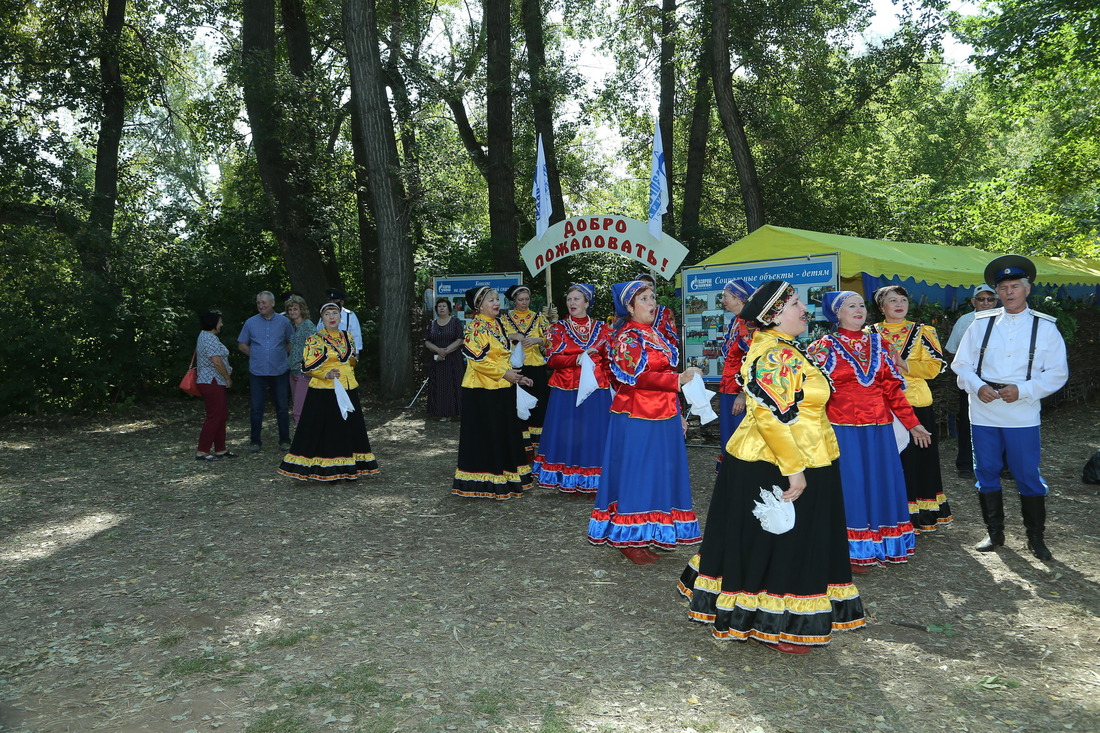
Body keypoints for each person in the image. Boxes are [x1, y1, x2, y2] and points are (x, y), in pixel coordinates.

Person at [678, 280, 865, 653]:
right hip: (779, 460)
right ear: (774, 315)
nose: (804, 310)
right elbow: (770, 417)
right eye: (795, 303)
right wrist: (794, 470)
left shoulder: (785, 348)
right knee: (782, 542)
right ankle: (776, 622)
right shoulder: (774, 355)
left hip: (804, 454)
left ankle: (777, 617)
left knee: (786, 541)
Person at [951, 255, 1068, 560]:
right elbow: (961, 365)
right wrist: (978, 387)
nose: (1009, 292)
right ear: (997, 291)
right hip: (984, 408)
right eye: (1003, 287)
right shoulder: (980, 324)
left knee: (1027, 473)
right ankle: (995, 534)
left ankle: (1036, 538)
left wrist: (1025, 390)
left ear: (1027, 289)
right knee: (986, 470)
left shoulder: (1045, 328)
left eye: (1015, 286)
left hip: (1022, 411)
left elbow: (1057, 373)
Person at [809, 291, 931, 572]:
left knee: (881, 482)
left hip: (879, 430)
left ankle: (883, 544)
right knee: (851, 485)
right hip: (844, 431)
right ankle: (851, 550)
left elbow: (892, 390)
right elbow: (811, 392)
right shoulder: (823, 347)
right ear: (836, 314)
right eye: (850, 306)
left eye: (861, 305)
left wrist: (913, 423)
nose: (858, 310)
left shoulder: (879, 343)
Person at [587, 280, 702, 564]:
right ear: (629, 307)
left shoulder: (655, 334)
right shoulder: (626, 337)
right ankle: (629, 537)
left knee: (659, 473)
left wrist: (677, 413)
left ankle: (650, 531)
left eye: (653, 298)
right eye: (644, 299)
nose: (652, 303)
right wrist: (677, 380)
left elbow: (666, 376)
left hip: (662, 414)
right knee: (638, 473)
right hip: (636, 415)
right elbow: (637, 378)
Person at [869, 285, 953, 533]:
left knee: (918, 461)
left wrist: (903, 363)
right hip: (882, 406)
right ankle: (891, 512)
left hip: (915, 403)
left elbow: (934, 367)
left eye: (902, 300)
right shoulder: (870, 333)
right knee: (890, 459)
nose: (898, 304)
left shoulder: (923, 331)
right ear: (881, 307)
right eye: (892, 300)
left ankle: (919, 515)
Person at [278, 302, 379, 481]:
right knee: (329, 430)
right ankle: (328, 468)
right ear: (322, 319)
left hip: (348, 388)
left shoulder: (348, 336)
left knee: (348, 429)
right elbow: (307, 366)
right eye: (328, 314)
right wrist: (326, 373)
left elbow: (351, 360)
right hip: (325, 391)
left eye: (335, 313)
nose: (332, 317)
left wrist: (352, 362)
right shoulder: (315, 339)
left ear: (340, 317)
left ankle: (349, 467)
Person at [452, 286, 534, 499]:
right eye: (491, 300)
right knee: (487, 434)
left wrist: (516, 375)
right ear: (479, 305)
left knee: (503, 432)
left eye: (497, 299)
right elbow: (478, 361)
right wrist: (504, 374)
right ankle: (486, 480)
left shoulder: (498, 324)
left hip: (502, 388)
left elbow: (502, 355)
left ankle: (506, 476)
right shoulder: (475, 328)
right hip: (481, 390)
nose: (497, 303)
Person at [532, 284, 613, 494]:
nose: (572, 303)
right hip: (567, 389)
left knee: (594, 432)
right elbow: (551, 359)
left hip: (596, 388)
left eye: (577, 299)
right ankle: (566, 474)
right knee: (569, 432)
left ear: (587, 303)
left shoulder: (604, 329)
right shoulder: (557, 329)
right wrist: (578, 358)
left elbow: (609, 360)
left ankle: (595, 476)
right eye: (569, 299)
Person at [944, 284, 1000, 478]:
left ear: (996, 300)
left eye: (990, 299)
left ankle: (1004, 465)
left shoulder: (1006, 320)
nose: (985, 303)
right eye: (981, 299)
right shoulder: (965, 321)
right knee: (968, 422)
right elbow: (952, 349)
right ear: (973, 301)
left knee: (1002, 421)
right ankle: (966, 464)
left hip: (1000, 379)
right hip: (971, 379)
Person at [238, 290, 294, 452]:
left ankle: (285, 440)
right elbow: (242, 345)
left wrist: (280, 355)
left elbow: (290, 342)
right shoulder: (250, 323)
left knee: (282, 407)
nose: (261, 306)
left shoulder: (284, 322)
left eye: (264, 302)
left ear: (273, 303)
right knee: (256, 408)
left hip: (280, 371)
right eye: (258, 303)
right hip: (258, 372)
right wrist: (256, 355)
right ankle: (255, 441)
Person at [502, 284, 550, 457]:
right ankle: (520, 445)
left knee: (538, 406)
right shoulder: (505, 319)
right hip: (515, 368)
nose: (524, 303)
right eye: (520, 299)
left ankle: (538, 446)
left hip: (536, 366)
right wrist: (512, 336)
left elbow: (551, 340)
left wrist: (538, 340)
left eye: (527, 299)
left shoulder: (539, 318)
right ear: (514, 300)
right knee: (517, 407)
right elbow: (497, 339)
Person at [715, 279, 755, 473]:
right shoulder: (735, 321)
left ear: (739, 298)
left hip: (739, 392)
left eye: (726, 296)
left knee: (742, 439)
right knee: (730, 438)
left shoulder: (748, 324)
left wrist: (744, 393)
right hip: (728, 389)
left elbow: (755, 361)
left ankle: (742, 480)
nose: (723, 300)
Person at [195, 309, 235, 461]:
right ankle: (202, 451)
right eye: (220, 321)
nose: (222, 324)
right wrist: (227, 379)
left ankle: (220, 449)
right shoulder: (209, 338)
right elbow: (217, 361)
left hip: (214, 381)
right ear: (213, 323)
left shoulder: (207, 336)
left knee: (221, 415)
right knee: (214, 416)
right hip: (212, 381)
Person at [424, 298, 464, 420]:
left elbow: (460, 339)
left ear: (448, 309)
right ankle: (440, 413)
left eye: (444, 306)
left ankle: (455, 413)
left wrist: (445, 351)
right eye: (439, 306)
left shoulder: (455, 322)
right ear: (436, 309)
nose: (441, 308)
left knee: (453, 385)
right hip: (437, 361)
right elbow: (427, 342)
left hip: (453, 360)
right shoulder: (432, 324)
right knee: (439, 386)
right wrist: (438, 350)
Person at [284, 295, 315, 426]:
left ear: (301, 309)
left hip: (304, 373)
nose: (292, 312)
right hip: (293, 371)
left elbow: (315, 346)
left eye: (295, 309)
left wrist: (306, 364)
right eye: (290, 309)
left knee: (299, 408)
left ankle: (302, 436)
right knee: (297, 405)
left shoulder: (308, 325)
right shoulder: (293, 327)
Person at [635, 272, 679, 346]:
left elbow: (672, 338)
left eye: (650, 285)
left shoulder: (665, 312)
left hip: (659, 354)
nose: (647, 287)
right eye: (643, 284)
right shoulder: (629, 310)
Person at [318, 289, 363, 356]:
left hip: (346, 353)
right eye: (330, 300)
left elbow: (356, 336)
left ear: (342, 302)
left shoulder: (350, 315)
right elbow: (318, 332)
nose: (332, 302)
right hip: (328, 354)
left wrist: (356, 353)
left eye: (335, 300)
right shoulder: (324, 316)